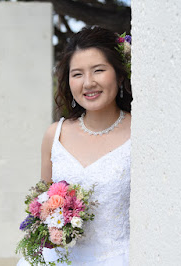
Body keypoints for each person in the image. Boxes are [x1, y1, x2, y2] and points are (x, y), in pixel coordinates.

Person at [18, 26, 132, 265]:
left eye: (99, 70)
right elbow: (43, 206)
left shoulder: (140, 133)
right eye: (77, 74)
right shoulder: (55, 134)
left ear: (120, 75)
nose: (88, 83)